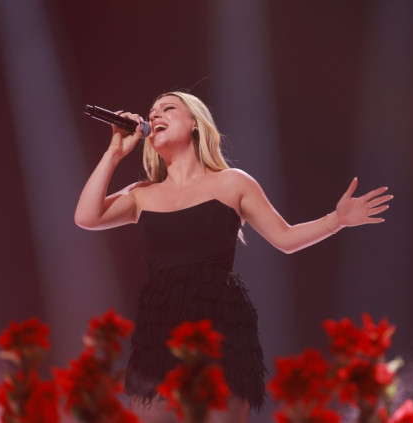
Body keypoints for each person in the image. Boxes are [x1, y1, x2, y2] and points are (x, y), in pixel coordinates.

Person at [74, 91, 392, 423]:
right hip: (161, 326)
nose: (154, 116)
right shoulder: (141, 194)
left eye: (167, 109)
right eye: (151, 112)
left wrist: (336, 220)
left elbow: (285, 238)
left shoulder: (232, 183)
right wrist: (114, 153)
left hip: (220, 322)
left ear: (195, 124)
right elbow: (86, 217)